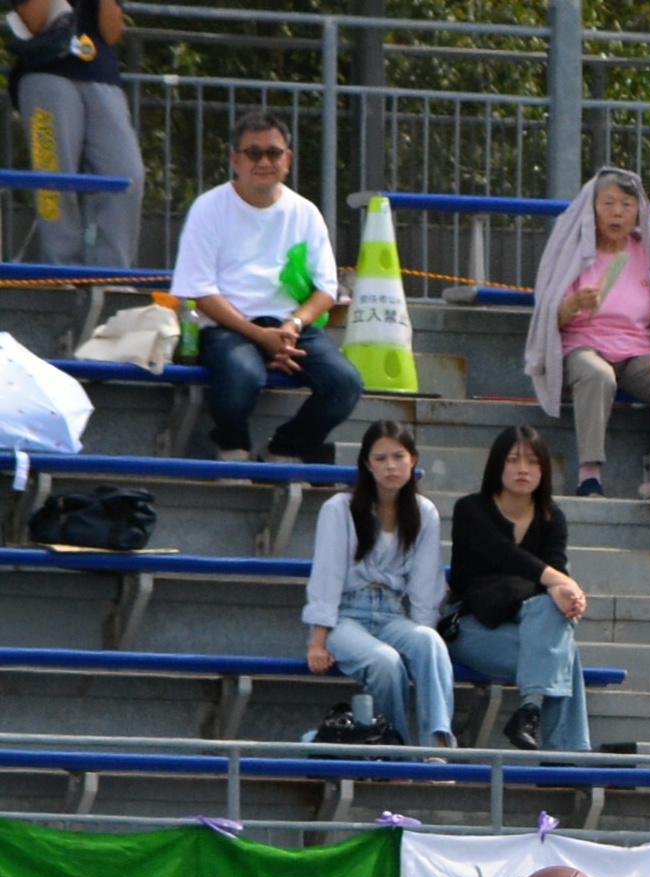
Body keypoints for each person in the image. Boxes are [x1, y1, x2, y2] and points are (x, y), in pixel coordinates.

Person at [171, 110, 357, 465]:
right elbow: (199, 291)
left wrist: (292, 327)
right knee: (241, 375)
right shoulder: (208, 208)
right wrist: (259, 336)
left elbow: (325, 290)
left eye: (273, 153)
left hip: (291, 327)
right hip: (227, 326)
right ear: (235, 160)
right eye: (253, 153)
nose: (264, 162)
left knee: (344, 383)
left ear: (288, 160)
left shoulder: (305, 212)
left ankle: (283, 450)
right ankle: (232, 448)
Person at [526, 169, 650, 500]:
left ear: (638, 212)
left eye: (627, 205)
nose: (617, 213)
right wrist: (574, 303)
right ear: (593, 209)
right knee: (598, 375)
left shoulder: (646, 253)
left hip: (637, 349)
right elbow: (550, 318)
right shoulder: (574, 251)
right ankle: (590, 475)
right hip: (583, 345)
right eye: (609, 203)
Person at [304, 419, 452, 749]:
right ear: (367, 465)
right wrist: (318, 641)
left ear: (413, 460)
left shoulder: (424, 512)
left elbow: (426, 586)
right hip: (345, 617)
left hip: (391, 614)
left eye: (399, 456)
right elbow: (327, 574)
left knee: (430, 642)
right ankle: (393, 751)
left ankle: (438, 748)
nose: (391, 466)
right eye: (381, 458)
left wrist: (418, 638)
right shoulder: (339, 508)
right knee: (385, 662)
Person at [450, 426, 593, 755]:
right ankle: (566, 758)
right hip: (470, 627)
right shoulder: (471, 509)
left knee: (552, 623)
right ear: (497, 465)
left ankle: (530, 712)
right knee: (563, 654)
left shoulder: (552, 518)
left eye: (533, 461)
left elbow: (551, 571)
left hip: (529, 626)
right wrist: (561, 583)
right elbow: (506, 554)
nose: (523, 469)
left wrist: (562, 591)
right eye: (513, 460)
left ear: (544, 469)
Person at [12, 0, 135, 268]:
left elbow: (112, 33)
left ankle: (113, 274)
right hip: (46, 72)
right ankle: (62, 270)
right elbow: (35, 21)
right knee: (53, 176)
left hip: (102, 75)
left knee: (127, 174)